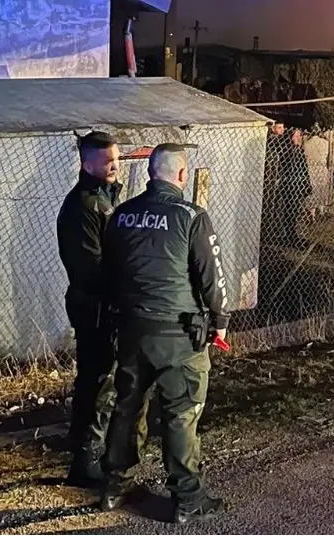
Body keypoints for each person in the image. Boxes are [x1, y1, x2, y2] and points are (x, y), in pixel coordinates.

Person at [99, 144, 230, 523]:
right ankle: (187, 498)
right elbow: (212, 279)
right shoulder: (191, 216)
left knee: (127, 407)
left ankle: (115, 486)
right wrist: (221, 320)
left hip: (132, 331)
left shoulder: (121, 215)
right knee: (181, 414)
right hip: (179, 338)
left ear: (151, 173)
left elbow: (109, 273)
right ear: (182, 176)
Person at [56, 131, 125, 487]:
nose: (114, 165)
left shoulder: (106, 197)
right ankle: (85, 462)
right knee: (97, 382)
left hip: (104, 305)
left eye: (116, 158)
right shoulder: (82, 206)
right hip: (95, 307)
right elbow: (90, 267)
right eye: (106, 161)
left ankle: (89, 450)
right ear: (87, 164)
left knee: (101, 379)